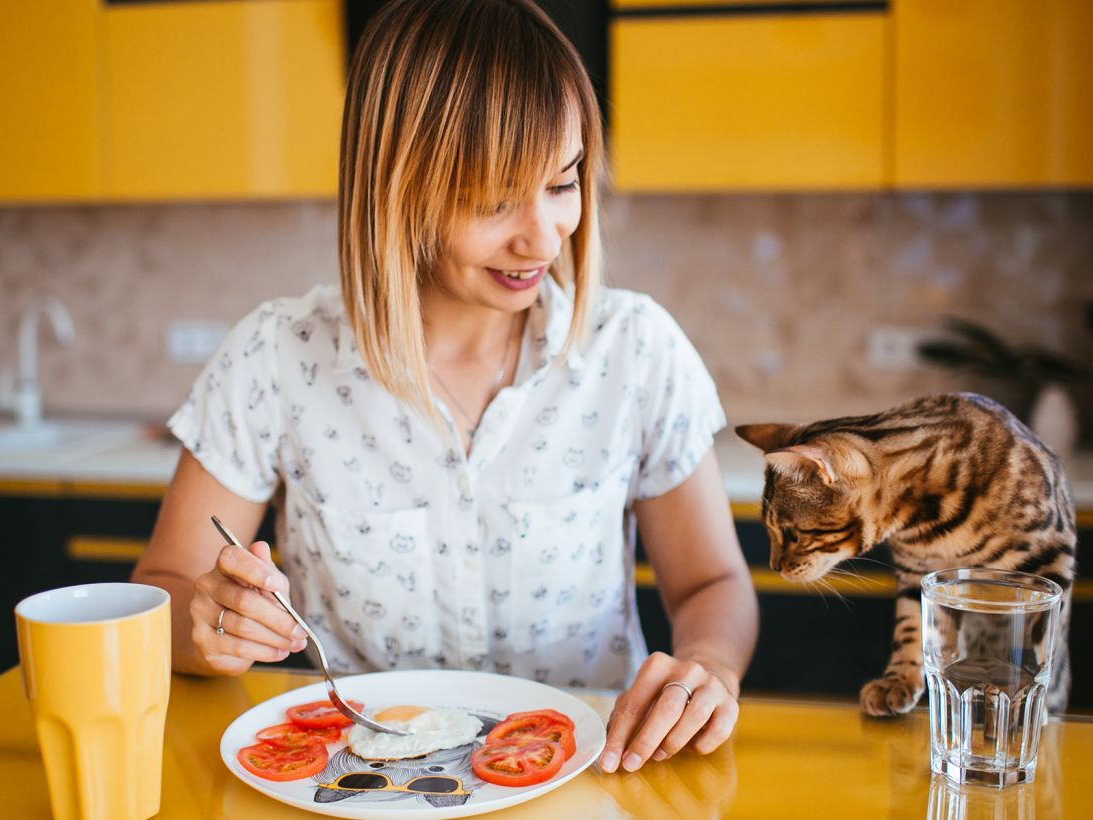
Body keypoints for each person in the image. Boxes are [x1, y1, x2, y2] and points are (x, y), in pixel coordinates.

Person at [131, 0, 758, 774]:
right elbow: (159, 592)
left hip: (581, 787)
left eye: (563, 184)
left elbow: (712, 583)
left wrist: (710, 665)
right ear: (397, 188)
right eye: (495, 200)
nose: (542, 235)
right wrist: (207, 621)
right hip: (359, 792)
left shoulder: (634, 351)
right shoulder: (277, 357)